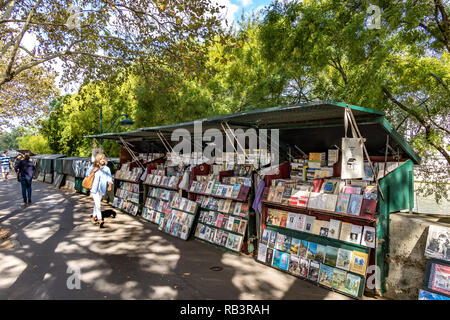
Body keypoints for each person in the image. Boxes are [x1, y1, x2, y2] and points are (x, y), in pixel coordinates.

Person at [86, 153, 113, 228]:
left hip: (102, 188)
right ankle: (100, 219)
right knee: (98, 204)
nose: (103, 160)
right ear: (98, 160)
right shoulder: (93, 166)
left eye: (104, 158)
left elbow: (109, 178)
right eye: (101, 159)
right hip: (94, 188)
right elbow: (87, 174)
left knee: (96, 204)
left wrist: (109, 185)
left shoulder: (107, 169)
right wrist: (93, 171)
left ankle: (93, 217)